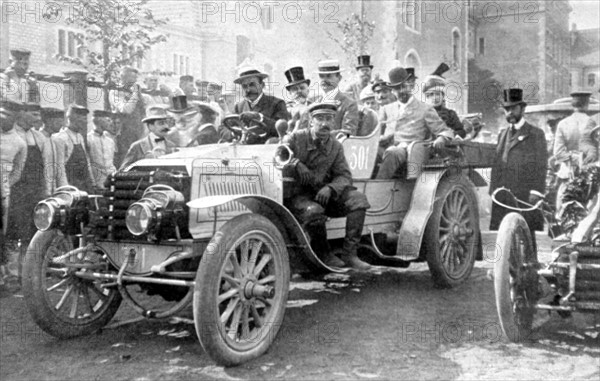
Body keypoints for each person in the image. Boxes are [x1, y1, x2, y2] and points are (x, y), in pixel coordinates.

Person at [283, 102, 371, 270]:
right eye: (320, 118)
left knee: (358, 200)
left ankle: (350, 254)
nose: (325, 123)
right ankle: (323, 253)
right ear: (310, 121)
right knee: (313, 210)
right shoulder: (296, 138)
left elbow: (344, 176)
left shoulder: (336, 146)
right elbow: (279, 154)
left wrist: (330, 188)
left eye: (329, 119)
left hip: (323, 194)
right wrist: (296, 164)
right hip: (297, 196)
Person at [489, 88, 547, 251]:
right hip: (503, 194)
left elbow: (541, 165)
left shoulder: (535, 134)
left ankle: (531, 270)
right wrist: (494, 191)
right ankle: (505, 271)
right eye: (507, 109)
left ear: (522, 109)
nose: (510, 113)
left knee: (527, 235)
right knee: (505, 237)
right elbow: (497, 163)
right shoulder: (502, 134)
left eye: (513, 108)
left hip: (525, 194)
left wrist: (536, 192)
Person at [376, 67, 453, 179]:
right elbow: (376, 131)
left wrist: (441, 138)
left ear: (410, 86)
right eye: (397, 88)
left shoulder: (424, 109)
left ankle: (376, 190)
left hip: (409, 151)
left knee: (391, 153)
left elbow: (444, 130)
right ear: (392, 91)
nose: (401, 91)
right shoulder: (387, 109)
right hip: (386, 147)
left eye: (403, 86)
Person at [6, 102, 55, 244]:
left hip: (35, 192)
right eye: (34, 114)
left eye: (39, 114)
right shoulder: (11, 135)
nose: (38, 118)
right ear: (22, 113)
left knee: (33, 233)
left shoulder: (39, 138)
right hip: (15, 192)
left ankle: (27, 263)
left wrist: (47, 191)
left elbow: (47, 166)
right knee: (13, 233)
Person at [296, 60, 358, 135]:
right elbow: (303, 130)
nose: (324, 80)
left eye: (329, 76)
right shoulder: (311, 101)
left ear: (339, 78)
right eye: (321, 76)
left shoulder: (349, 104)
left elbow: (348, 134)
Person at [232, 67, 290, 144]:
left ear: (262, 85)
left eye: (252, 84)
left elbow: (282, 130)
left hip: (266, 150)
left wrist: (260, 117)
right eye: (244, 86)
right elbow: (224, 127)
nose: (248, 90)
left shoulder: (277, 103)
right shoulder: (239, 106)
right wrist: (233, 132)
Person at [109, 66, 147, 167]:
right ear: (122, 77)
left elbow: (144, 112)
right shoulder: (115, 92)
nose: (133, 81)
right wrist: (135, 94)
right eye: (130, 77)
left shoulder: (136, 94)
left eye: (135, 78)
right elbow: (126, 109)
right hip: (123, 132)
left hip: (137, 130)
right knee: (125, 159)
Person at [53, 104, 95, 193]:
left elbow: (86, 163)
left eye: (85, 118)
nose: (85, 122)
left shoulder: (80, 137)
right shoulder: (60, 138)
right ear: (72, 119)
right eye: (81, 119)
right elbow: (59, 167)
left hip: (83, 186)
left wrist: (92, 184)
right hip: (70, 187)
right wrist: (65, 189)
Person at [0, 101, 27, 236]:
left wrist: (5, 185)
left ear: (15, 119)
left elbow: (17, 173)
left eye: (8, 115)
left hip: (3, 196)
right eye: (2, 113)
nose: (3, 117)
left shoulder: (19, 143)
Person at [120, 105, 174, 170]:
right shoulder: (137, 146)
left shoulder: (172, 146)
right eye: (161, 123)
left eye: (166, 123)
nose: (166, 126)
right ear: (150, 126)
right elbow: (123, 170)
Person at [422, 63, 466, 138]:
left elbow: (461, 131)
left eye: (438, 94)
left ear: (443, 96)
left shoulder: (450, 114)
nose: (435, 97)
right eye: (431, 95)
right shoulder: (422, 114)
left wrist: (450, 135)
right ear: (427, 97)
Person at [87, 110, 117, 191]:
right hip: (97, 184)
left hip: (111, 183)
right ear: (99, 120)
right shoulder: (88, 139)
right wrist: (93, 184)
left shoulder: (110, 141)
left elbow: (111, 163)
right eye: (108, 120)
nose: (110, 123)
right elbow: (88, 164)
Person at [39, 107, 64, 195]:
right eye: (58, 122)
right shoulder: (39, 139)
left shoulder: (53, 140)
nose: (61, 125)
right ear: (49, 121)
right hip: (41, 191)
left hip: (53, 191)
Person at [284, 66, 312, 131]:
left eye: (302, 88)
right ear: (290, 93)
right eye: (295, 89)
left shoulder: (314, 107)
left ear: (308, 90)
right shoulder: (285, 109)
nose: (299, 91)